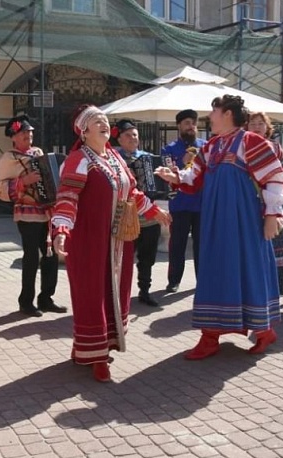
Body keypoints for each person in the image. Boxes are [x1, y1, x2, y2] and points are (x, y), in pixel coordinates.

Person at [156, 95, 283, 359]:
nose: (209, 116)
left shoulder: (251, 142)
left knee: (247, 268)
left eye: (213, 111)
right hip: (215, 219)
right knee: (214, 269)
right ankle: (210, 336)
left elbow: (275, 177)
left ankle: (264, 331)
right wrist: (176, 176)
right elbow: (194, 176)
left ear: (227, 114)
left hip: (244, 220)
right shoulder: (212, 146)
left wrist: (272, 215)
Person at [51, 104, 171, 382]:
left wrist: (155, 211)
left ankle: (91, 346)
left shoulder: (115, 157)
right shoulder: (78, 159)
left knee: (114, 291)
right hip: (89, 240)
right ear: (83, 131)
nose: (104, 124)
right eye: (96, 121)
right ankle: (97, 356)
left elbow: (133, 193)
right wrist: (61, 230)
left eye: (105, 119)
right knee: (92, 294)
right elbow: (67, 197)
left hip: (118, 240)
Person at [0, 115, 66, 317]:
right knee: (31, 257)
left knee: (50, 255)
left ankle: (46, 298)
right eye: (23, 132)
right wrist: (23, 181)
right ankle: (26, 302)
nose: (28, 135)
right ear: (13, 137)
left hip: (47, 212)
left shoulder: (38, 153)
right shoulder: (8, 158)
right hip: (26, 215)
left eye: (30, 132)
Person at [113, 119, 161, 307]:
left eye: (135, 135)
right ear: (119, 139)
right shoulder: (114, 159)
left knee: (148, 258)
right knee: (122, 259)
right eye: (128, 135)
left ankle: (145, 291)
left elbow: (159, 185)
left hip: (149, 218)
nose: (132, 138)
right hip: (126, 218)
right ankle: (118, 293)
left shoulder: (148, 157)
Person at [247, 112, 283, 296]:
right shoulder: (242, 147)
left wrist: (274, 195)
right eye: (252, 123)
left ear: (267, 127)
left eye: (261, 123)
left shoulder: (274, 147)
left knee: (275, 243)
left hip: (271, 201)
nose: (257, 127)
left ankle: (277, 288)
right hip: (249, 202)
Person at [161, 109, 205, 293]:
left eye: (193, 123)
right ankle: (174, 281)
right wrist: (182, 161)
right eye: (187, 123)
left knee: (202, 245)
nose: (191, 126)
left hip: (202, 204)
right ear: (178, 125)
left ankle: (203, 281)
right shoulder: (169, 149)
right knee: (177, 244)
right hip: (180, 205)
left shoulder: (205, 146)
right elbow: (166, 175)